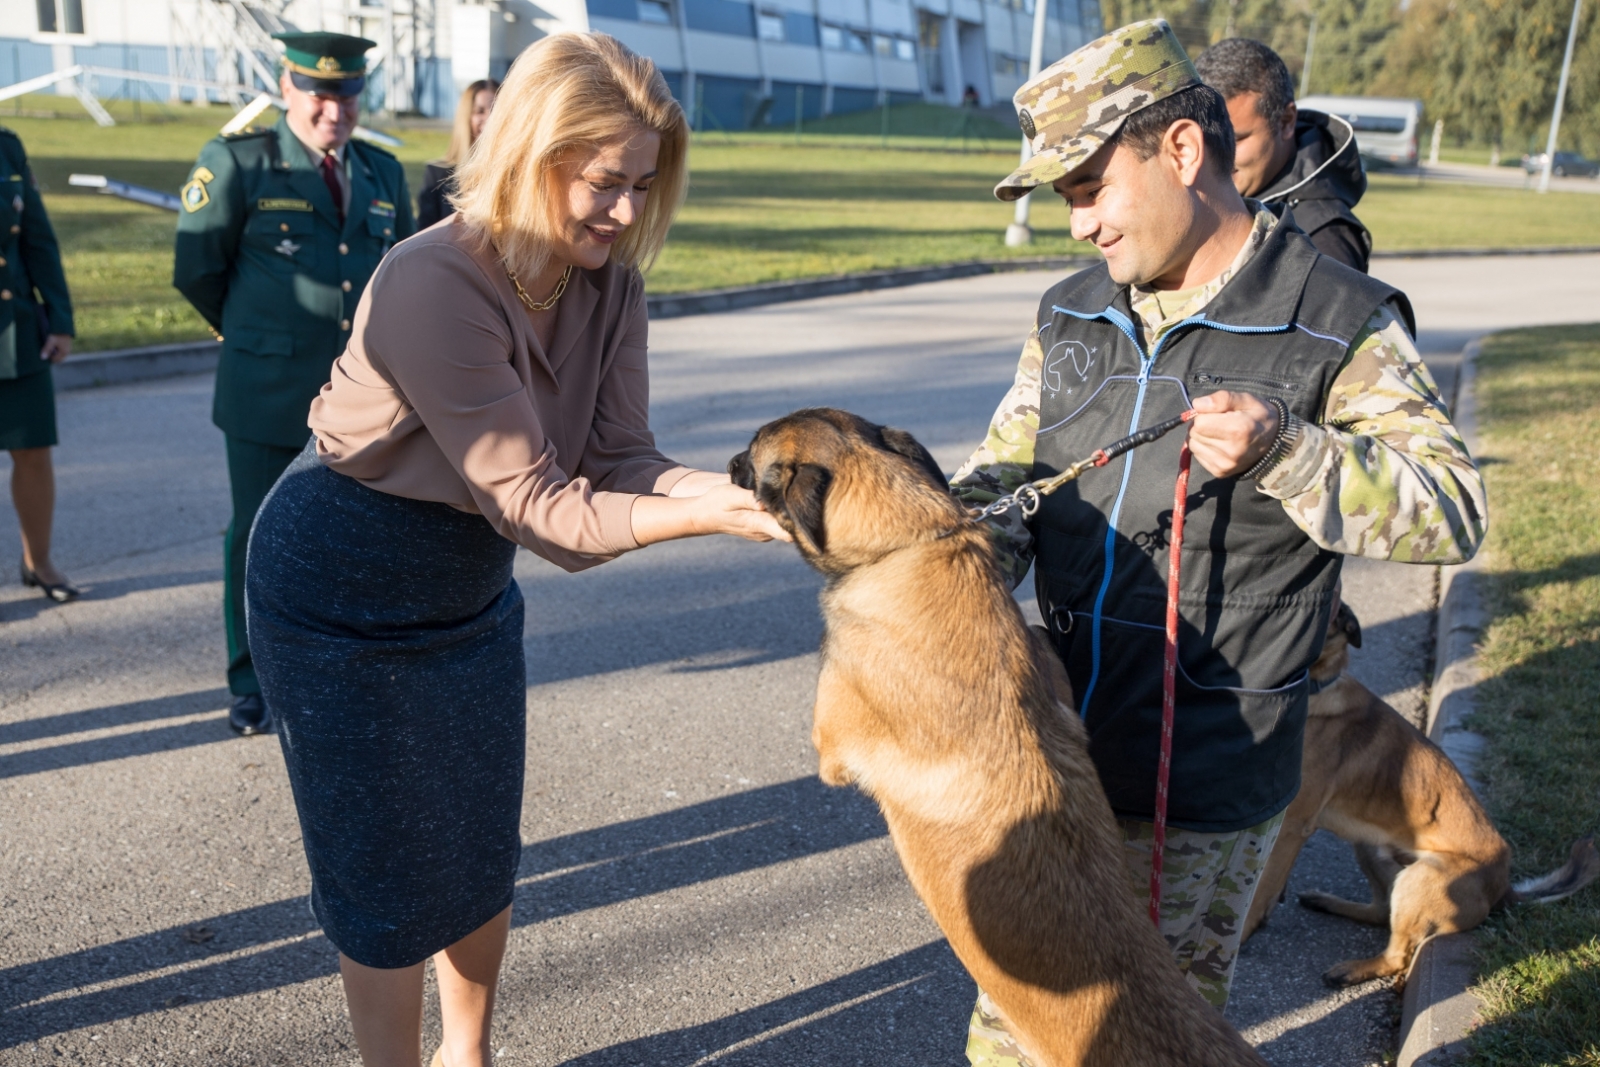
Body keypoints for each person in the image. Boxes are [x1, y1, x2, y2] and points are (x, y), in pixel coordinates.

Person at [246, 33, 786, 1067]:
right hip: (337, 589)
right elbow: (545, 510)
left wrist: (738, 494)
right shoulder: (432, 280)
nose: (626, 213)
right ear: (533, 150)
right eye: (603, 184)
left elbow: (621, 456)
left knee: (477, 846)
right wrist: (710, 519)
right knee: (384, 868)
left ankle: (470, 1052)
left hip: (463, 585)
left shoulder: (608, 283)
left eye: (641, 184)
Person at [952, 20, 1486, 1064]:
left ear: (1182, 153)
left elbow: (1448, 507)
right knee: (1012, 1033)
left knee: (1142, 1044)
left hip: (1200, 788)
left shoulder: (1338, 315)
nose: (1078, 227)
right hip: (1051, 767)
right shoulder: (1070, 313)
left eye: (1089, 188)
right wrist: (919, 545)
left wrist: (1289, 450)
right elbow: (1007, 483)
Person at [173, 31, 415, 736]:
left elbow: (396, 277)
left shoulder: (379, 173)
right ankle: (252, 681)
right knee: (254, 535)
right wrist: (255, 333)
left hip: (360, 396)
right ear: (287, 87)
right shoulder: (238, 162)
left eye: (345, 93)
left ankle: (340, 665)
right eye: (318, 91)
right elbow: (198, 270)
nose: (332, 108)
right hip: (265, 388)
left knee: (358, 533)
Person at [1196, 37, 1373, 272]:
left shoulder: (1324, 241)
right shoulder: (1207, 200)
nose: (1211, 156)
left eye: (1234, 139)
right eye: (1201, 140)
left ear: (1286, 122)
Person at [1, 126, 78, 603]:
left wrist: (60, 317)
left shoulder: (6, 146)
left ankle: (39, 562)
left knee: (32, 450)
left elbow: (37, 239)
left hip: (15, 328)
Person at [417, 79, 499, 229]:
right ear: (466, 118)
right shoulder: (437, 175)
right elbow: (424, 236)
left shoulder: (516, 174)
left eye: (495, 110)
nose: (489, 118)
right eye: (479, 111)